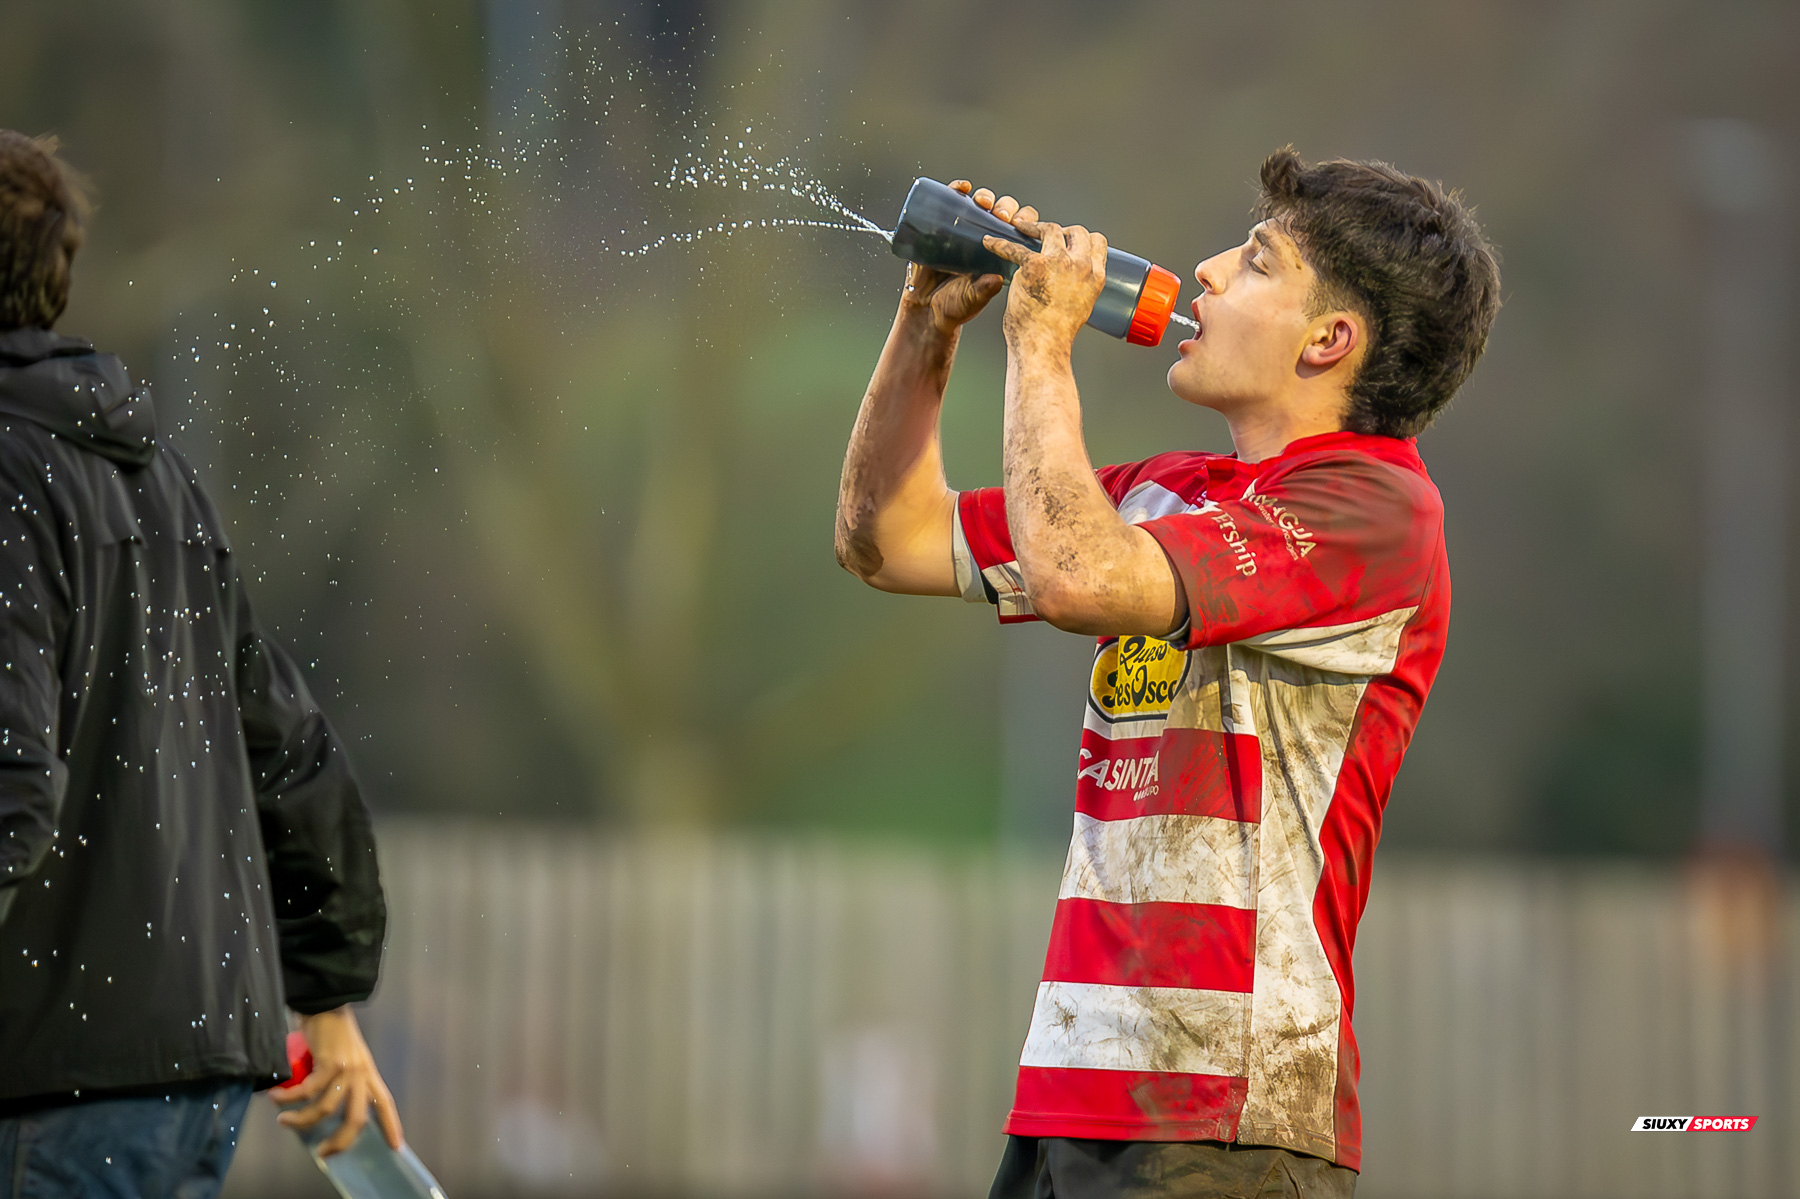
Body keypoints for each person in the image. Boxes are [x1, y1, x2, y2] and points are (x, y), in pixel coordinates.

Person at [835, 150, 1500, 1198]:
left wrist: (1043, 344)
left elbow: (1078, 574)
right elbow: (887, 537)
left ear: (1330, 341)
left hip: (1223, 1121)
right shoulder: (1168, 494)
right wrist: (929, 322)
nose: (1205, 273)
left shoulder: (1377, 511)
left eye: (1254, 261)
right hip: (1068, 1095)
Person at [0, 131, 403, 1197]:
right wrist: (328, 1000)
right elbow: (290, 750)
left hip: (52, 1094)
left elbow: (9, 785)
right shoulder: (155, 473)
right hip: (188, 1080)